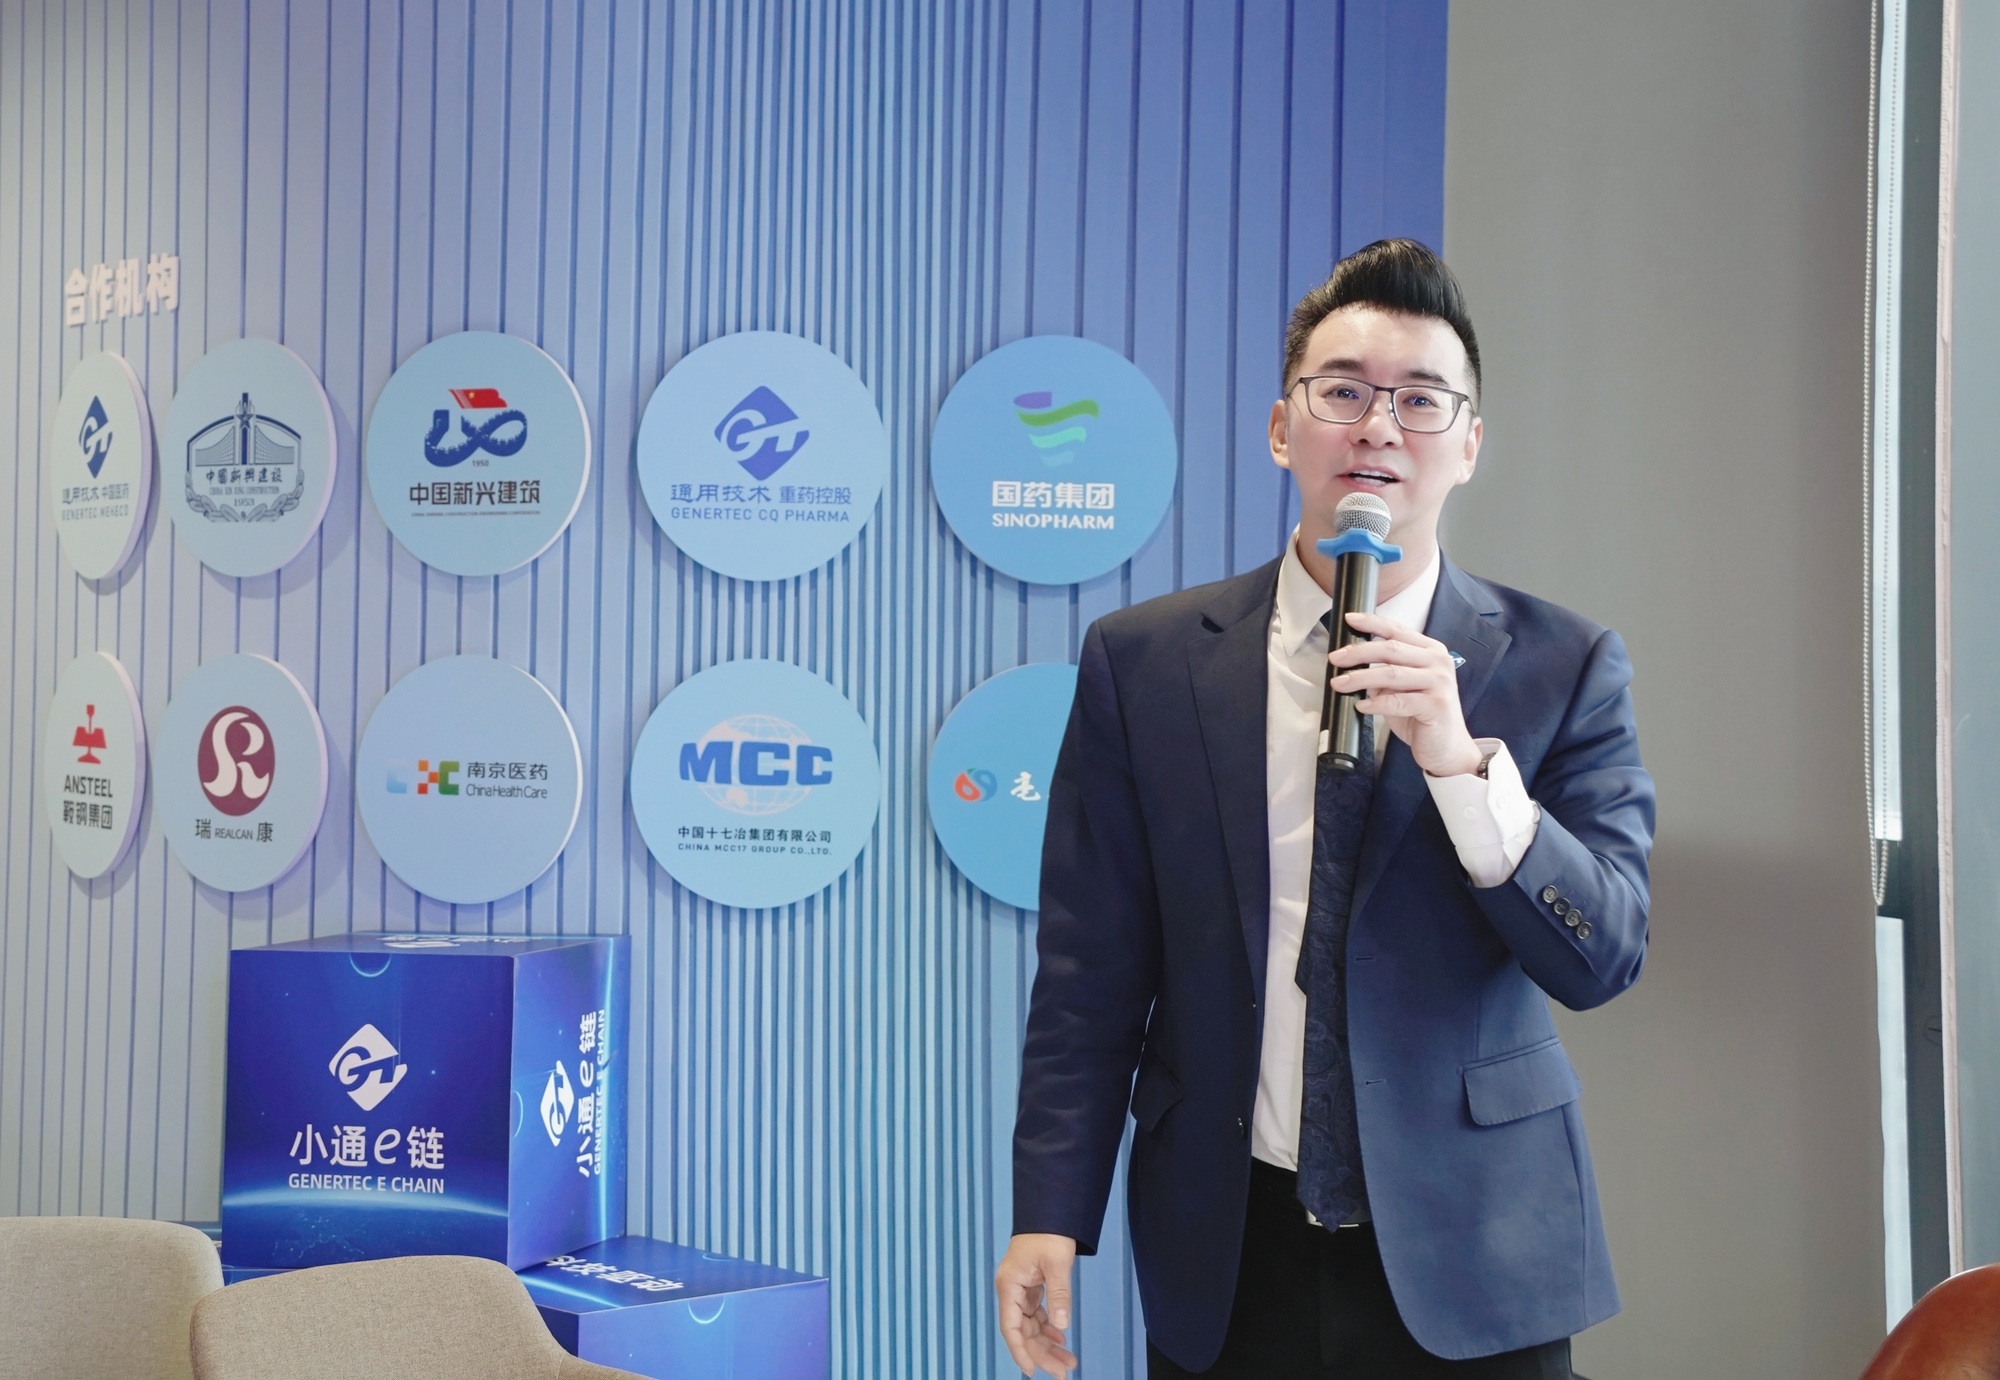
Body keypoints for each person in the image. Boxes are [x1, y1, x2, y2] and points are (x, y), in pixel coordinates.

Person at [994, 239, 1654, 1379]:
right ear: (1280, 428)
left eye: (1421, 400)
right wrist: (1050, 1210)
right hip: (1228, 1241)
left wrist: (1459, 763)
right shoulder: (1143, 663)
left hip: (1477, 1244)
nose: (1378, 428)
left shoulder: (1565, 665)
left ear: (1468, 445)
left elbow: (1603, 954)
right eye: (1342, 392)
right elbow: (1090, 969)